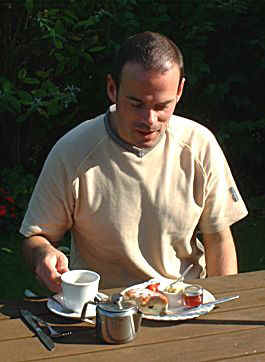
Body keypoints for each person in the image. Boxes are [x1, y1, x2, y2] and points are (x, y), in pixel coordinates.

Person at [20, 31, 248, 293]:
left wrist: (221, 307)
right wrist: (43, 255)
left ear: (180, 91)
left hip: (182, 302)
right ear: (112, 89)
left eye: (162, 105)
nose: (149, 120)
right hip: (104, 309)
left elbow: (218, 238)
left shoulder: (199, 145)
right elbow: (35, 237)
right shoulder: (74, 151)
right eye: (136, 104)